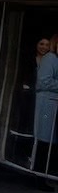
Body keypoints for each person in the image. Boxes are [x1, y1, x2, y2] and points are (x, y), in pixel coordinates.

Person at [33, 34, 58, 176]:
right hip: (47, 103)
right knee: (44, 140)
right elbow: (43, 81)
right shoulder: (50, 58)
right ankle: (39, 175)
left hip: (52, 103)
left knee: (49, 141)